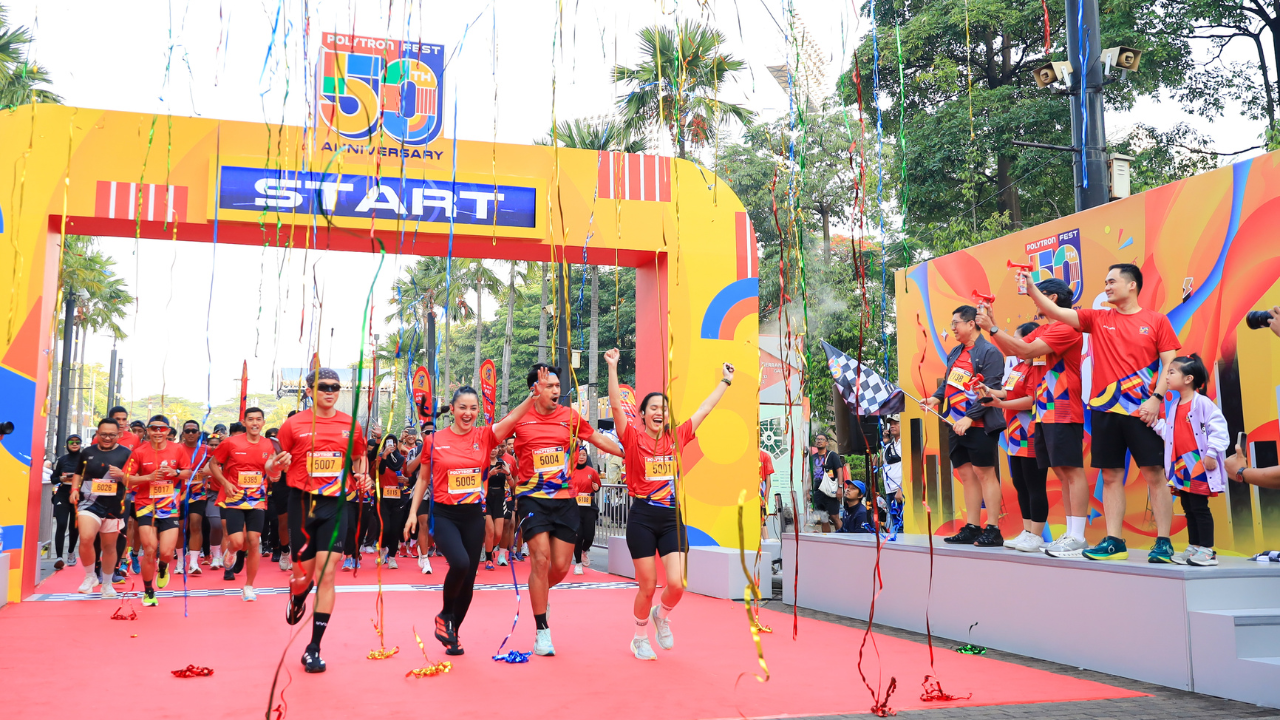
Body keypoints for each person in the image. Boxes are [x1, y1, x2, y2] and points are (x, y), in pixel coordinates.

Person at [1024, 264, 1181, 561]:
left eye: (1112, 281)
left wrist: (1157, 399)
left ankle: (1163, 541)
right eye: (1105, 282)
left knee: (1154, 473)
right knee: (1110, 475)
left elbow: (1170, 364)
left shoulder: (1156, 320)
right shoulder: (1097, 319)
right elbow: (1058, 313)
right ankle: (1114, 541)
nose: (1106, 287)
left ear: (1132, 285)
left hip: (1142, 411)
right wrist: (1032, 289)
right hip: (1105, 410)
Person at [606, 348, 732, 661]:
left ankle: (661, 615)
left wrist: (725, 382)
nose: (660, 411)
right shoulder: (633, 439)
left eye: (664, 407)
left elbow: (704, 409)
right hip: (642, 517)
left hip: (671, 518)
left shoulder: (676, 438)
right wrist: (612, 367)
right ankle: (639, 637)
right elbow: (617, 408)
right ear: (644, 414)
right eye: (653, 407)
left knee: (677, 584)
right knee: (647, 583)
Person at [404, 379, 543, 655]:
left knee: (469, 578)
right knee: (460, 562)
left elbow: (512, 418)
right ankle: (445, 615)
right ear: (453, 410)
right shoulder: (434, 440)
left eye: (473, 408)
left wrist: (532, 396)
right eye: (462, 408)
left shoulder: (484, 436)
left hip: (473, 516)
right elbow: (421, 480)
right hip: (444, 514)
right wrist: (411, 515)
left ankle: (453, 631)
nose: (468, 413)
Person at [513, 362, 624, 657]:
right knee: (540, 559)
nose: (556, 391)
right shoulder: (520, 417)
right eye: (549, 386)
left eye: (558, 386)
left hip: (563, 501)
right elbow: (491, 438)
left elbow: (597, 438)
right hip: (532, 498)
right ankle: (542, 630)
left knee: (560, 566)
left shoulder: (569, 417)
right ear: (534, 390)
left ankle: (541, 592)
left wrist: (629, 454)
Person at [980, 277, 1089, 558]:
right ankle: (1070, 533)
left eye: (1037, 294)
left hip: (1063, 409)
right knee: (1062, 473)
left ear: (1051, 298)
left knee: (1072, 472)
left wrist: (991, 327)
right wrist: (992, 324)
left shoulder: (1067, 328)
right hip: (1044, 412)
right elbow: (1014, 351)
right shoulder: (1046, 329)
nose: (1034, 301)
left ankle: (1078, 535)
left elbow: (1026, 351)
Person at [274, 368, 372, 673]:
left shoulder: (350, 425)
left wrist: (364, 475)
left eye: (335, 387)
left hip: (336, 504)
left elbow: (359, 456)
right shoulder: (293, 425)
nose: (330, 392)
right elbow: (274, 465)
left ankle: (313, 647)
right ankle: (299, 595)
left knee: (328, 573)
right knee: (303, 577)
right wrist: (272, 466)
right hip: (302, 503)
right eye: (323, 387)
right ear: (309, 390)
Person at [924, 305, 1007, 547]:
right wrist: (936, 398)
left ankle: (993, 528)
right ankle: (972, 526)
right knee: (966, 475)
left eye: (956, 324)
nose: (952, 329)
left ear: (971, 324)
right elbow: (949, 382)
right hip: (954, 423)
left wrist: (970, 418)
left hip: (979, 424)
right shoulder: (955, 352)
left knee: (985, 473)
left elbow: (989, 389)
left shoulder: (989, 352)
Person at [974, 322, 1048, 552]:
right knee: (1020, 483)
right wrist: (987, 390)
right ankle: (1027, 532)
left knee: (1035, 484)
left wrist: (1001, 403)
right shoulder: (1017, 368)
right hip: (1014, 433)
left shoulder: (1039, 366)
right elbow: (1006, 391)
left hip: (1033, 431)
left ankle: (1036, 535)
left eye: (1018, 341)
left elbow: (1031, 399)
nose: (1014, 346)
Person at [1161, 355, 1228, 566]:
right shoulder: (1175, 405)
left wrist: (1211, 453)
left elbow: (1219, 428)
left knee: (1199, 507)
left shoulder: (1203, 403)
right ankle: (1195, 547)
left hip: (1197, 465)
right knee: (1188, 507)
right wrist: (1154, 423)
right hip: (1181, 466)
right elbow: (1170, 433)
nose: (1167, 376)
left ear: (1188, 378)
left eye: (1172, 372)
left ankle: (1207, 551)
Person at [122, 415, 194, 607]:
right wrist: (148, 477)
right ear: (148, 430)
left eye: (162, 429)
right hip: (145, 505)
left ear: (169, 431)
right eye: (154, 428)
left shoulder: (178, 449)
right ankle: (148, 591)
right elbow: (126, 479)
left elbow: (189, 472)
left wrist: (176, 473)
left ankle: (163, 568)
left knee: (167, 552)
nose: (158, 432)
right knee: (150, 549)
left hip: (169, 506)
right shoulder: (139, 452)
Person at [209, 407, 280, 599]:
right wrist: (225, 482)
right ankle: (231, 550)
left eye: (258, 419)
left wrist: (276, 473)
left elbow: (273, 470)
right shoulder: (231, 443)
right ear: (244, 422)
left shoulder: (270, 445)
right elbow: (213, 464)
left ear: (263, 422)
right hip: (234, 498)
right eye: (251, 419)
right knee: (238, 542)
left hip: (257, 499)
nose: (255, 423)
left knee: (254, 540)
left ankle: (249, 586)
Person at [70, 419, 131, 597]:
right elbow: (77, 473)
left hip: (114, 505)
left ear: (118, 435)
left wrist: (122, 476)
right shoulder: (87, 452)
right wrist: (74, 489)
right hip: (88, 503)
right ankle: (90, 576)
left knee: (109, 547)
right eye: (103, 434)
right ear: (97, 433)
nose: (107, 438)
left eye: (111, 435)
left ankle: (107, 583)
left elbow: (133, 479)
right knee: (87, 537)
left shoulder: (126, 453)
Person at [175, 419, 210, 575]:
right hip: (178, 493)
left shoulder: (207, 450)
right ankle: (180, 563)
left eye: (193, 431)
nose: (190, 433)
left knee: (196, 524)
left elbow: (221, 461)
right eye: (187, 431)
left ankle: (194, 563)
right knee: (181, 528)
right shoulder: (176, 449)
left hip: (198, 493)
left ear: (199, 434)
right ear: (183, 433)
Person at [374, 432, 411, 569]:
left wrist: (406, 481)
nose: (392, 445)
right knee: (386, 528)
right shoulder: (379, 458)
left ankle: (392, 558)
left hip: (398, 497)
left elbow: (408, 477)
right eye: (389, 443)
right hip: (383, 497)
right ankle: (383, 548)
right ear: (384, 445)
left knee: (396, 529)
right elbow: (380, 472)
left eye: (394, 443)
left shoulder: (402, 459)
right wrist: (384, 456)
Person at [50, 435, 83, 569]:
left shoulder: (84, 460)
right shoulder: (62, 460)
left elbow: (91, 478)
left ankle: (70, 553)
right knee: (61, 524)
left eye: (77, 442)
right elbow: (53, 478)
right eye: (71, 442)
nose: (74, 444)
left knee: (74, 527)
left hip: (78, 497)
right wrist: (62, 479)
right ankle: (58, 557)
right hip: (62, 495)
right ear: (67, 444)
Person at [570, 447, 601, 575]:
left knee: (589, 536)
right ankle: (578, 563)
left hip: (588, 508)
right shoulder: (570, 471)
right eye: (579, 454)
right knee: (578, 537)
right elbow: (564, 485)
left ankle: (584, 550)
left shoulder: (592, 471)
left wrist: (596, 487)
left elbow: (597, 486)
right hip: (574, 508)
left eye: (584, 454)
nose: (582, 457)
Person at [265, 426, 292, 570]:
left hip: (301, 483)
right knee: (283, 521)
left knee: (301, 521)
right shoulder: (277, 447)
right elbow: (270, 466)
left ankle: (299, 556)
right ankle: (285, 552)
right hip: (282, 485)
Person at [483, 445, 511, 570]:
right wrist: (489, 474)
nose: (493, 450)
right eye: (491, 448)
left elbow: (512, 484)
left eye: (495, 448)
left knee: (498, 534)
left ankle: (490, 549)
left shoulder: (503, 463)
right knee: (490, 530)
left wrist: (508, 473)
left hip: (499, 498)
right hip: (485, 498)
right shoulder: (482, 462)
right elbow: (477, 481)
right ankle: (488, 559)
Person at [810, 434, 844, 532]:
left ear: (827, 443)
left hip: (830, 490)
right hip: (818, 491)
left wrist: (840, 487)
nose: (819, 441)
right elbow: (809, 474)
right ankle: (827, 541)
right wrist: (807, 491)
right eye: (817, 439)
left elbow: (839, 470)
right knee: (823, 518)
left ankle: (842, 538)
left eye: (822, 439)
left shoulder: (832, 455)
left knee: (834, 517)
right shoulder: (813, 457)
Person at [880, 416, 903, 533]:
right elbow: (878, 463)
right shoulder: (889, 445)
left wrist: (901, 488)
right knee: (895, 523)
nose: (892, 426)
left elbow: (910, 466)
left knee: (902, 523)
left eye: (896, 423)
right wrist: (884, 442)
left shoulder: (906, 443)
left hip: (900, 490)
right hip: (889, 490)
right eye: (891, 424)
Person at [759, 448, 775, 540]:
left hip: (760, 493)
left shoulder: (765, 456)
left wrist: (766, 497)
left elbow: (768, 479)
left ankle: (766, 541)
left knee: (761, 519)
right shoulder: (746, 456)